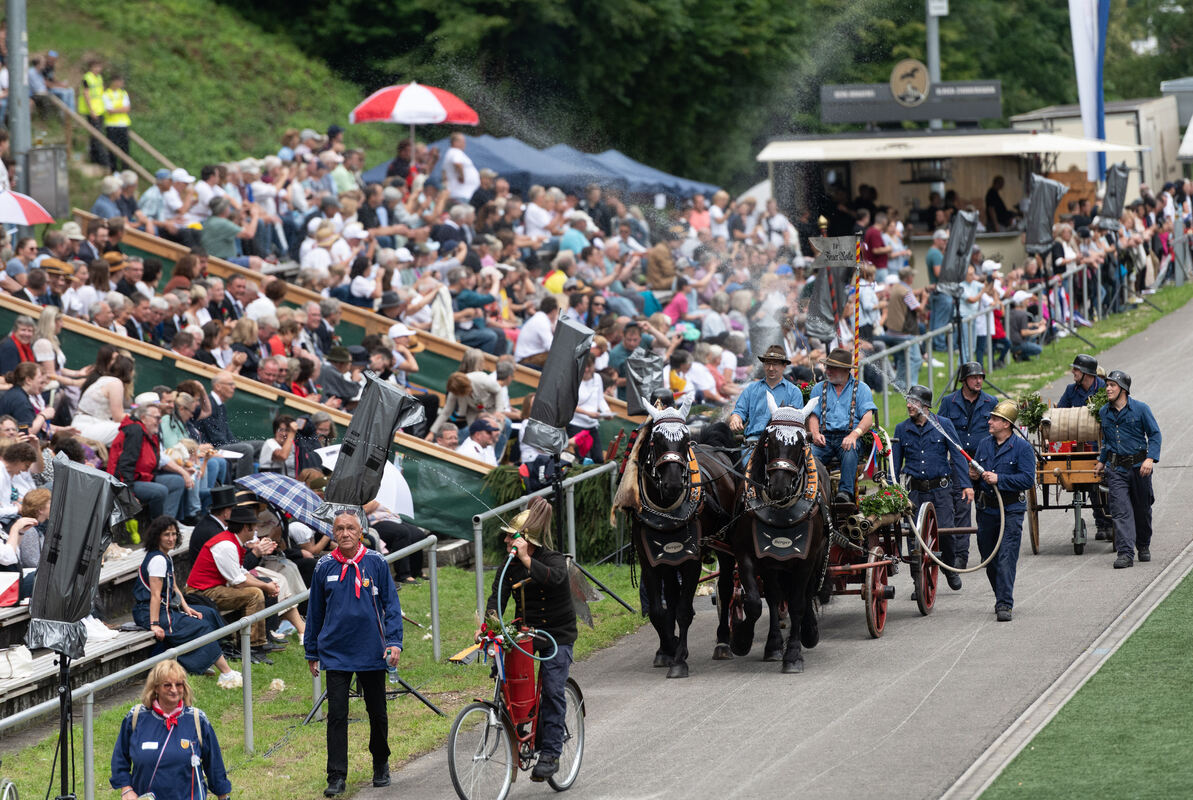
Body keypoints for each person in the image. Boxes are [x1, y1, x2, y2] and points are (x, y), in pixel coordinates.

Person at [305, 510, 403, 797]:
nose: (345, 533)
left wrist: (394, 642)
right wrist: (312, 650)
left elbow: (392, 604)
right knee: (337, 714)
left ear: (360, 532)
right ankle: (336, 775)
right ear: (333, 533)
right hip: (335, 652)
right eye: (339, 529)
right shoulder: (323, 566)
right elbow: (314, 613)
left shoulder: (376, 562)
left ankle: (381, 762)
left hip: (371, 649)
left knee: (377, 711)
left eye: (350, 528)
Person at [482, 499, 576, 782]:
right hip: (526, 635)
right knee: (509, 680)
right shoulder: (508, 566)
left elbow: (556, 579)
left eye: (511, 535)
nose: (506, 539)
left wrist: (525, 560)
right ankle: (522, 724)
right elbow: (496, 599)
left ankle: (550, 753)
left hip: (557, 636)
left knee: (552, 688)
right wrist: (487, 627)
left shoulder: (553, 559)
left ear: (527, 540)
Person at [133, 516, 242, 687]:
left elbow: (175, 587)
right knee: (201, 627)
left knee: (207, 614)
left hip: (165, 609)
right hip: (150, 612)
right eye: (166, 535)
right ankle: (226, 673)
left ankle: (202, 663)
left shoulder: (166, 557)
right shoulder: (157, 560)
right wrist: (154, 624)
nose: (171, 539)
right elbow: (155, 596)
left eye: (174, 534)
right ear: (157, 537)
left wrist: (187, 608)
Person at [109, 659, 231, 800]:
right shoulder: (135, 717)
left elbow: (214, 764)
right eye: (167, 685)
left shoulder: (198, 719)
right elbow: (120, 758)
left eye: (178, 684)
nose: (174, 690)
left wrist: (223, 796)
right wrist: (126, 789)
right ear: (156, 688)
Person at [892, 385, 973, 591]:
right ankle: (917, 581)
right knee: (913, 535)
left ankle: (949, 569)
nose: (909, 405)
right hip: (915, 491)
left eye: (914, 402)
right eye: (908, 401)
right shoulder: (902, 429)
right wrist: (892, 490)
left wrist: (965, 484)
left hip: (941, 490)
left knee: (945, 531)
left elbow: (957, 455)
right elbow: (894, 463)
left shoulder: (943, 424)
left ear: (926, 406)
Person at [184, 502, 287, 660]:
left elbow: (242, 572)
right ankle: (251, 647)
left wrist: (267, 584)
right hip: (201, 592)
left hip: (213, 587)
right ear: (246, 527)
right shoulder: (226, 545)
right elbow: (238, 582)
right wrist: (266, 586)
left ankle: (259, 642)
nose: (256, 530)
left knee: (259, 588)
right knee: (254, 594)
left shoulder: (231, 541)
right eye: (254, 526)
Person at [969, 400, 1037, 622]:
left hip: (1010, 509)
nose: (990, 422)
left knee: (1006, 557)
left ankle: (1004, 603)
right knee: (989, 558)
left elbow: (1027, 479)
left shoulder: (1023, 448)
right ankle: (1001, 595)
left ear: (1006, 424)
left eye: (995, 419)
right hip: (987, 509)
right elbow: (978, 477)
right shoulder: (984, 445)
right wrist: (975, 478)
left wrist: (1000, 478)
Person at [1096, 370, 1162, 569]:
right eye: (1107, 385)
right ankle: (1125, 553)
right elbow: (1107, 441)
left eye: (1112, 385)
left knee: (1142, 510)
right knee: (1120, 511)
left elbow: (1155, 434)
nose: (1108, 388)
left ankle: (1143, 545)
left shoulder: (1141, 409)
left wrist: (1150, 459)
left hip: (1139, 468)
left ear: (1123, 389)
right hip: (1116, 470)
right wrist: (1101, 461)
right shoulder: (1103, 412)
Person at [807, 348, 878, 503]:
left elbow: (867, 419)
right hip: (824, 438)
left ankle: (845, 493)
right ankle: (810, 492)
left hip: (848, 436)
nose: (828, 371)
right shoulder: (819, 388)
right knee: (808, 455)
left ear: (846, 370)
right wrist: (815, 434)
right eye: (827, 367)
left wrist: (854, 435)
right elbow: (813, 416)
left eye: (833, 368)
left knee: (850, 450)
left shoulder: (861, 388)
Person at [936, 361, 996, 544]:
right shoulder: (948, 402)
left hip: (984, 463)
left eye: (981, 377)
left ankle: (988, 550)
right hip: (958, 464)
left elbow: (997, 433)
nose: (978, 381)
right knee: (961, 508)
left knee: (986, 509)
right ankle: (961, 555)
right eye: (974, 377)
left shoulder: (991, 402)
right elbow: (940, 434)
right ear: (964, 380)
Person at [1056, 354, 1113, 540]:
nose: (1073, 372)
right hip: (1081, 448)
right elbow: (1061, 414)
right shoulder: (1071, 390)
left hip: (1104, 445)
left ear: (1087, 373)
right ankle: (1101, 523)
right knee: (1089, 484)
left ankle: (1110, 521)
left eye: (1076, 369)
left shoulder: (1105, 389)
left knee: (1105, 484)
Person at [108, 404, 190, 520]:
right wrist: (129, 494)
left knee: (177, 482)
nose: (160, 421)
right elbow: (125, 466)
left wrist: (183, 472)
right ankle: (159, 528)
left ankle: (170, 522)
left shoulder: (150, 434)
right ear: (143, 418)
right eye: (156, 418)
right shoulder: (135, 431)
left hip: (144, 477)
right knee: (160, 491)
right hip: (125, 482)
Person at [728, 344, 804, 467]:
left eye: (776, 364)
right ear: (763, 365)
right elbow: (739, 411)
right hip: (754, 442)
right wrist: (735, 418)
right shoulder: (751, 389)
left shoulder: (794, 392)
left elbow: (796, 424)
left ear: (784, 366)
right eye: (767, 363)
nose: (771, 368)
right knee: (746, 472)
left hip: (782, 445)